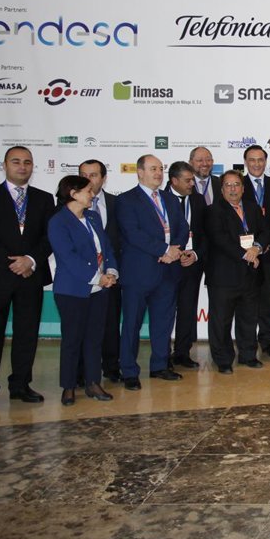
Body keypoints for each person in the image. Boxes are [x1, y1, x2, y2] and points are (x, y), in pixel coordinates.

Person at [0, 145, 55, 413]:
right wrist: (13, 263)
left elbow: (49, 237)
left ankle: (20, 385)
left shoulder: (44, 199)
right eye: (16, 161)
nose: (22, 166)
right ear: (5, 165)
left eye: (27, 162)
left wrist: (30, 260)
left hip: (31, 276)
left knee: (27, 335)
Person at [115, 154, 189, 389]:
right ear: (140, 172)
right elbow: (132, 233)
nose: (158, 173)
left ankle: (160, 365)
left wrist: (174, 250)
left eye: (160, 169)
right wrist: (164, 250)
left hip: (168, 271)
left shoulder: (170, 199)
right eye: (153, 169)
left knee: (163, 322)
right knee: (132, 324)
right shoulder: (126, 200)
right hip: (139, 272)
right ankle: (129, 370)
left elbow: (183, 227)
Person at [47, 175, 118, 405]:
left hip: (99, 290)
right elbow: (68, 258)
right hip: (72, 291)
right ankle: (68, 386)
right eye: (88, 191)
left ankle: (93, 382)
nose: (92, 194)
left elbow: (106, 248)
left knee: (94, 339)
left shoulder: (93, 217)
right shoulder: (58, 222)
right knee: (72, 339)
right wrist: (97, 278)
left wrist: (112, 271)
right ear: (73, 194)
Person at [205, 170, 265, 372]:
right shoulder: (214, 211)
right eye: (228, 185)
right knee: (221, 321)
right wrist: (247, 254)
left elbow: (265, 232)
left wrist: (257, 248)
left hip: (250, 274)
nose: (233, 189)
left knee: (248, 318)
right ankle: (223, 360)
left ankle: (248, 355)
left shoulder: (252, 207)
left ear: (243, 188)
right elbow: (220, 239)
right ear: (221, 190)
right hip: (224, 276)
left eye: (236, 184)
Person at [78, 159, 122, 383]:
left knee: (111, 324)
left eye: (93, 175)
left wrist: (112, 272)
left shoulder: (117, 203)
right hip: (81, 279)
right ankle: (81, 372)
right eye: (83, 175)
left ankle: (112, 367)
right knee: (81, 327)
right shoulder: (68, 207)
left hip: (111, 276)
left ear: (103, 178)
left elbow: (122, 239)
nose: (88, 180)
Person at [243, 145, 270, 358]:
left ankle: (268, 341)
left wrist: (266, 243)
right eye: (252, 160)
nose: (256, 164)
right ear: (246, 162)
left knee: (268, 298)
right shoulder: (236, 184)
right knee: (246, 300)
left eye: (260, 160)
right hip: (245, 253)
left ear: (266, 162)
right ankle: (247, 342)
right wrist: (254, 246)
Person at [167, 161, 207, 369]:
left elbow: (206, 233)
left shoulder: (198, 200)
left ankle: (182, 353)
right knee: (165, 310)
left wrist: (196, 254)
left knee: (187, 309)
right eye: (188, 180)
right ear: (174, 181)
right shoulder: (161, 199)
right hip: (167, 264)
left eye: (193, 180)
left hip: (192, 264)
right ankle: (163, 354)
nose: (192, 184)